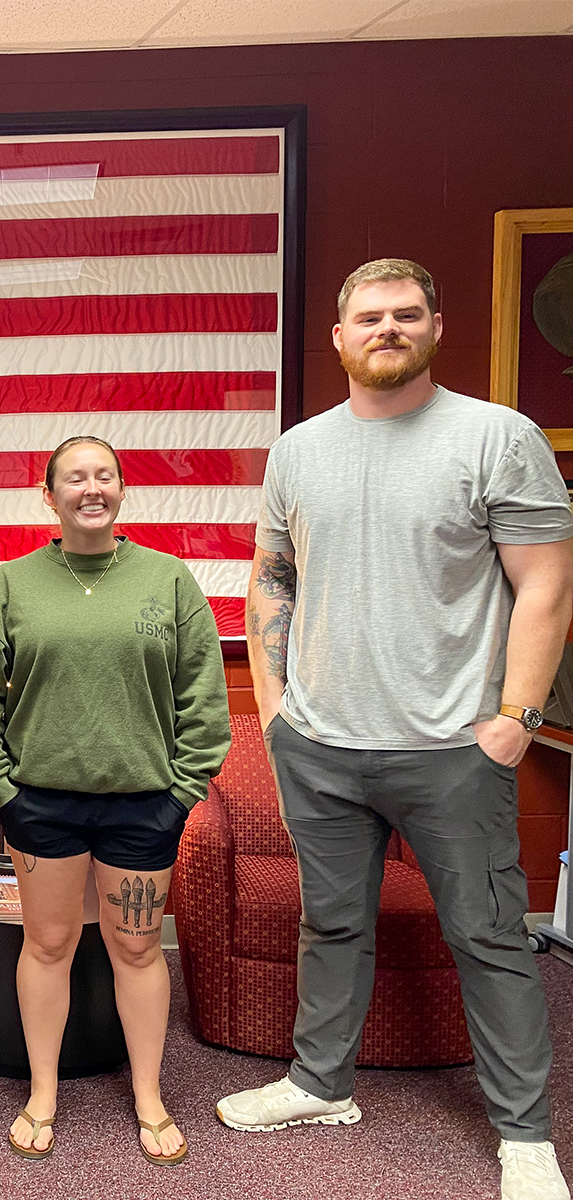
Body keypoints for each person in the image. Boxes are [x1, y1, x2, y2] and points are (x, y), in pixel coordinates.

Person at [216, 260, 573, 1200]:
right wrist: (276, 701)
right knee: (332, 924)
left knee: (489, 934)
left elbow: (545, 583)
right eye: (367, 317)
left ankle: (524, 1135)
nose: (387, 328)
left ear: (435, 327)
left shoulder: (498, 436)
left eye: (405, 314)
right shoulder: (298, 448)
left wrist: (514, 723)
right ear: (338, 338)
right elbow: (273, 572)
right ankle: (319, 1083)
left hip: (455, 747)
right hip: (321, 744)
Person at [0, 436, 230, 1166]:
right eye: (74, 478)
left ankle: (148, 1092)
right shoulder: (12, 585)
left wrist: (182, 792)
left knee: (137, 948)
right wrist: (1, 783)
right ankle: (42, 1091)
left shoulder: (169, 581)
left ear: (121, 490)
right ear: (48, 497)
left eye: (104, 475)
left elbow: (204, 699)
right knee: (48, 944)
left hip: (144, 805)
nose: (91, 488)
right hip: (41, 803)